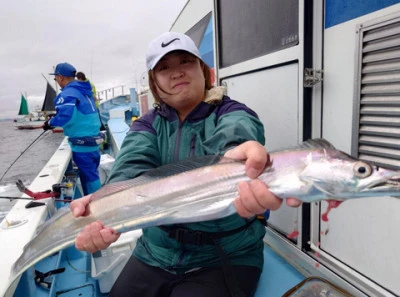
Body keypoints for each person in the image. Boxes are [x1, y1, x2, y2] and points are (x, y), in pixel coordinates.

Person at [70, 32, 301, 297]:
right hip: (155, 251)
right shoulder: (147, 125)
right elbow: (130, 167)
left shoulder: (234, 113)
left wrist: (235, 160)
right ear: (154, 83)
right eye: (164, 68)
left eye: (185, 62)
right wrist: (106, 208)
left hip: (225, 255)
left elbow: (235, 139)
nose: (177, 72)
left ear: (204, 71)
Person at [45, 62, 103, 195]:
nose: (57, 81)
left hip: (82, 144)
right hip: (94, 142)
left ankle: (96, 205)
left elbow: (65, 116)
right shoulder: (85, 92)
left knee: (90, 178)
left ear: (60, 77)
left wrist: (50, 123)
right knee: (93, 173)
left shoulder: (68, 93)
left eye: (56, 79)